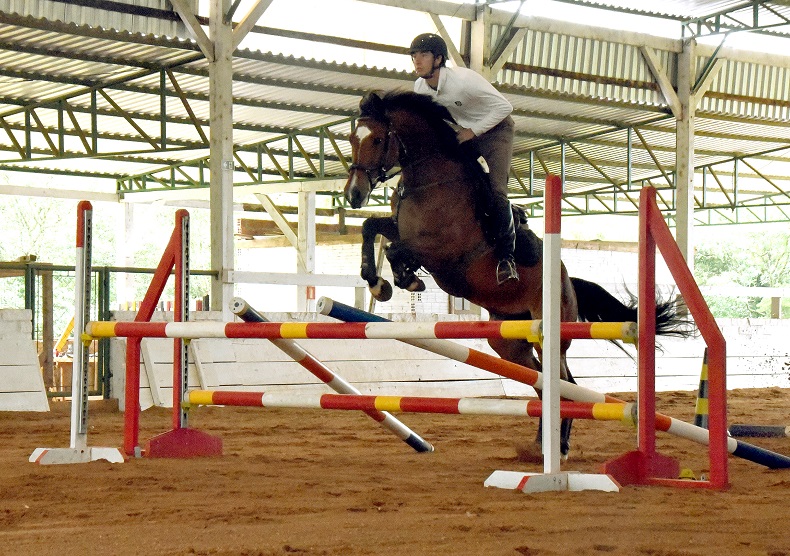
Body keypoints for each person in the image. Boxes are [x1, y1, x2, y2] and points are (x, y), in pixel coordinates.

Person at [410, 32, 519, 284]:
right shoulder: (419, 87)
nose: (417, 61)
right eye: (414, 56)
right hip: (465, 134)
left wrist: (472, 131)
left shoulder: (464, 80)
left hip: (496, 131)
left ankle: (506, 258)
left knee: (497, 190)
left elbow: (505, 107)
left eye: (423, 55)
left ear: (438, 59)